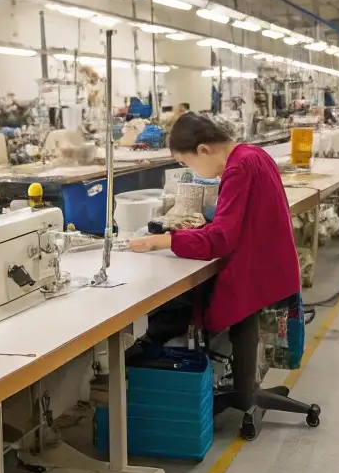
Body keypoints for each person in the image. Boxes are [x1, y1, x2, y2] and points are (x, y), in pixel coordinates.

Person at [127, 113, 301, 337]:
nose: (190, 170)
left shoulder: (238, 168)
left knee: (181, 314)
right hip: (272, 269)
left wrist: (160, 241)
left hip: (256, 278)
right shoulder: (254, 153)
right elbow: (238, 221)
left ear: (203, 150)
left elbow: (220, 240)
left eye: (186, 163)